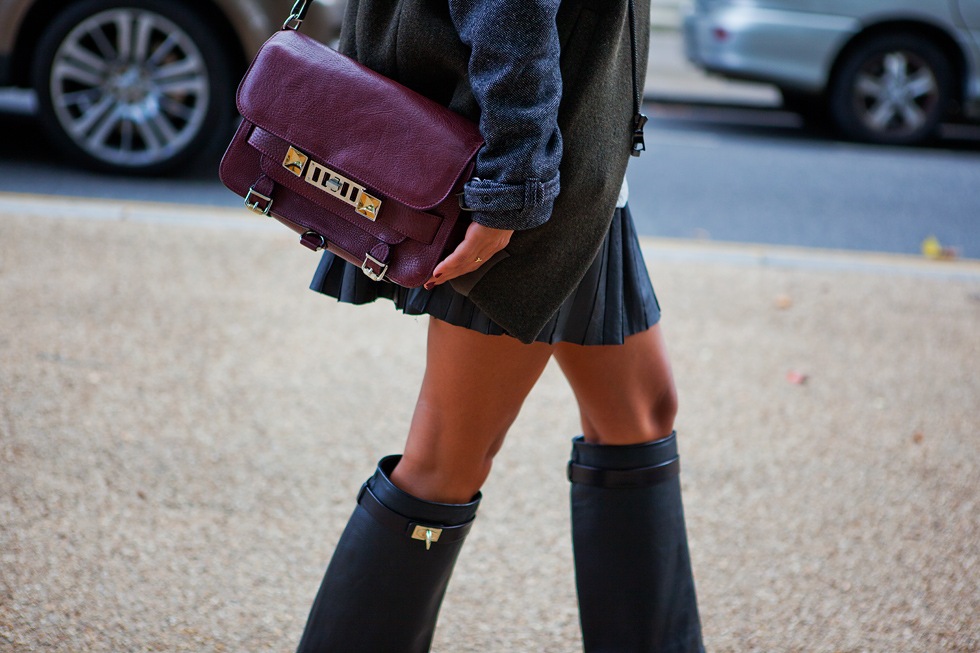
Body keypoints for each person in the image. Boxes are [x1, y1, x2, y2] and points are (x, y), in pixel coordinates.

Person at [294, 0, 705, 651]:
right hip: (526, 176)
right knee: (444, 463)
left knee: (641, 416)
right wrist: (512, 185)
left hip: (579, 162)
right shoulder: (519, 179)